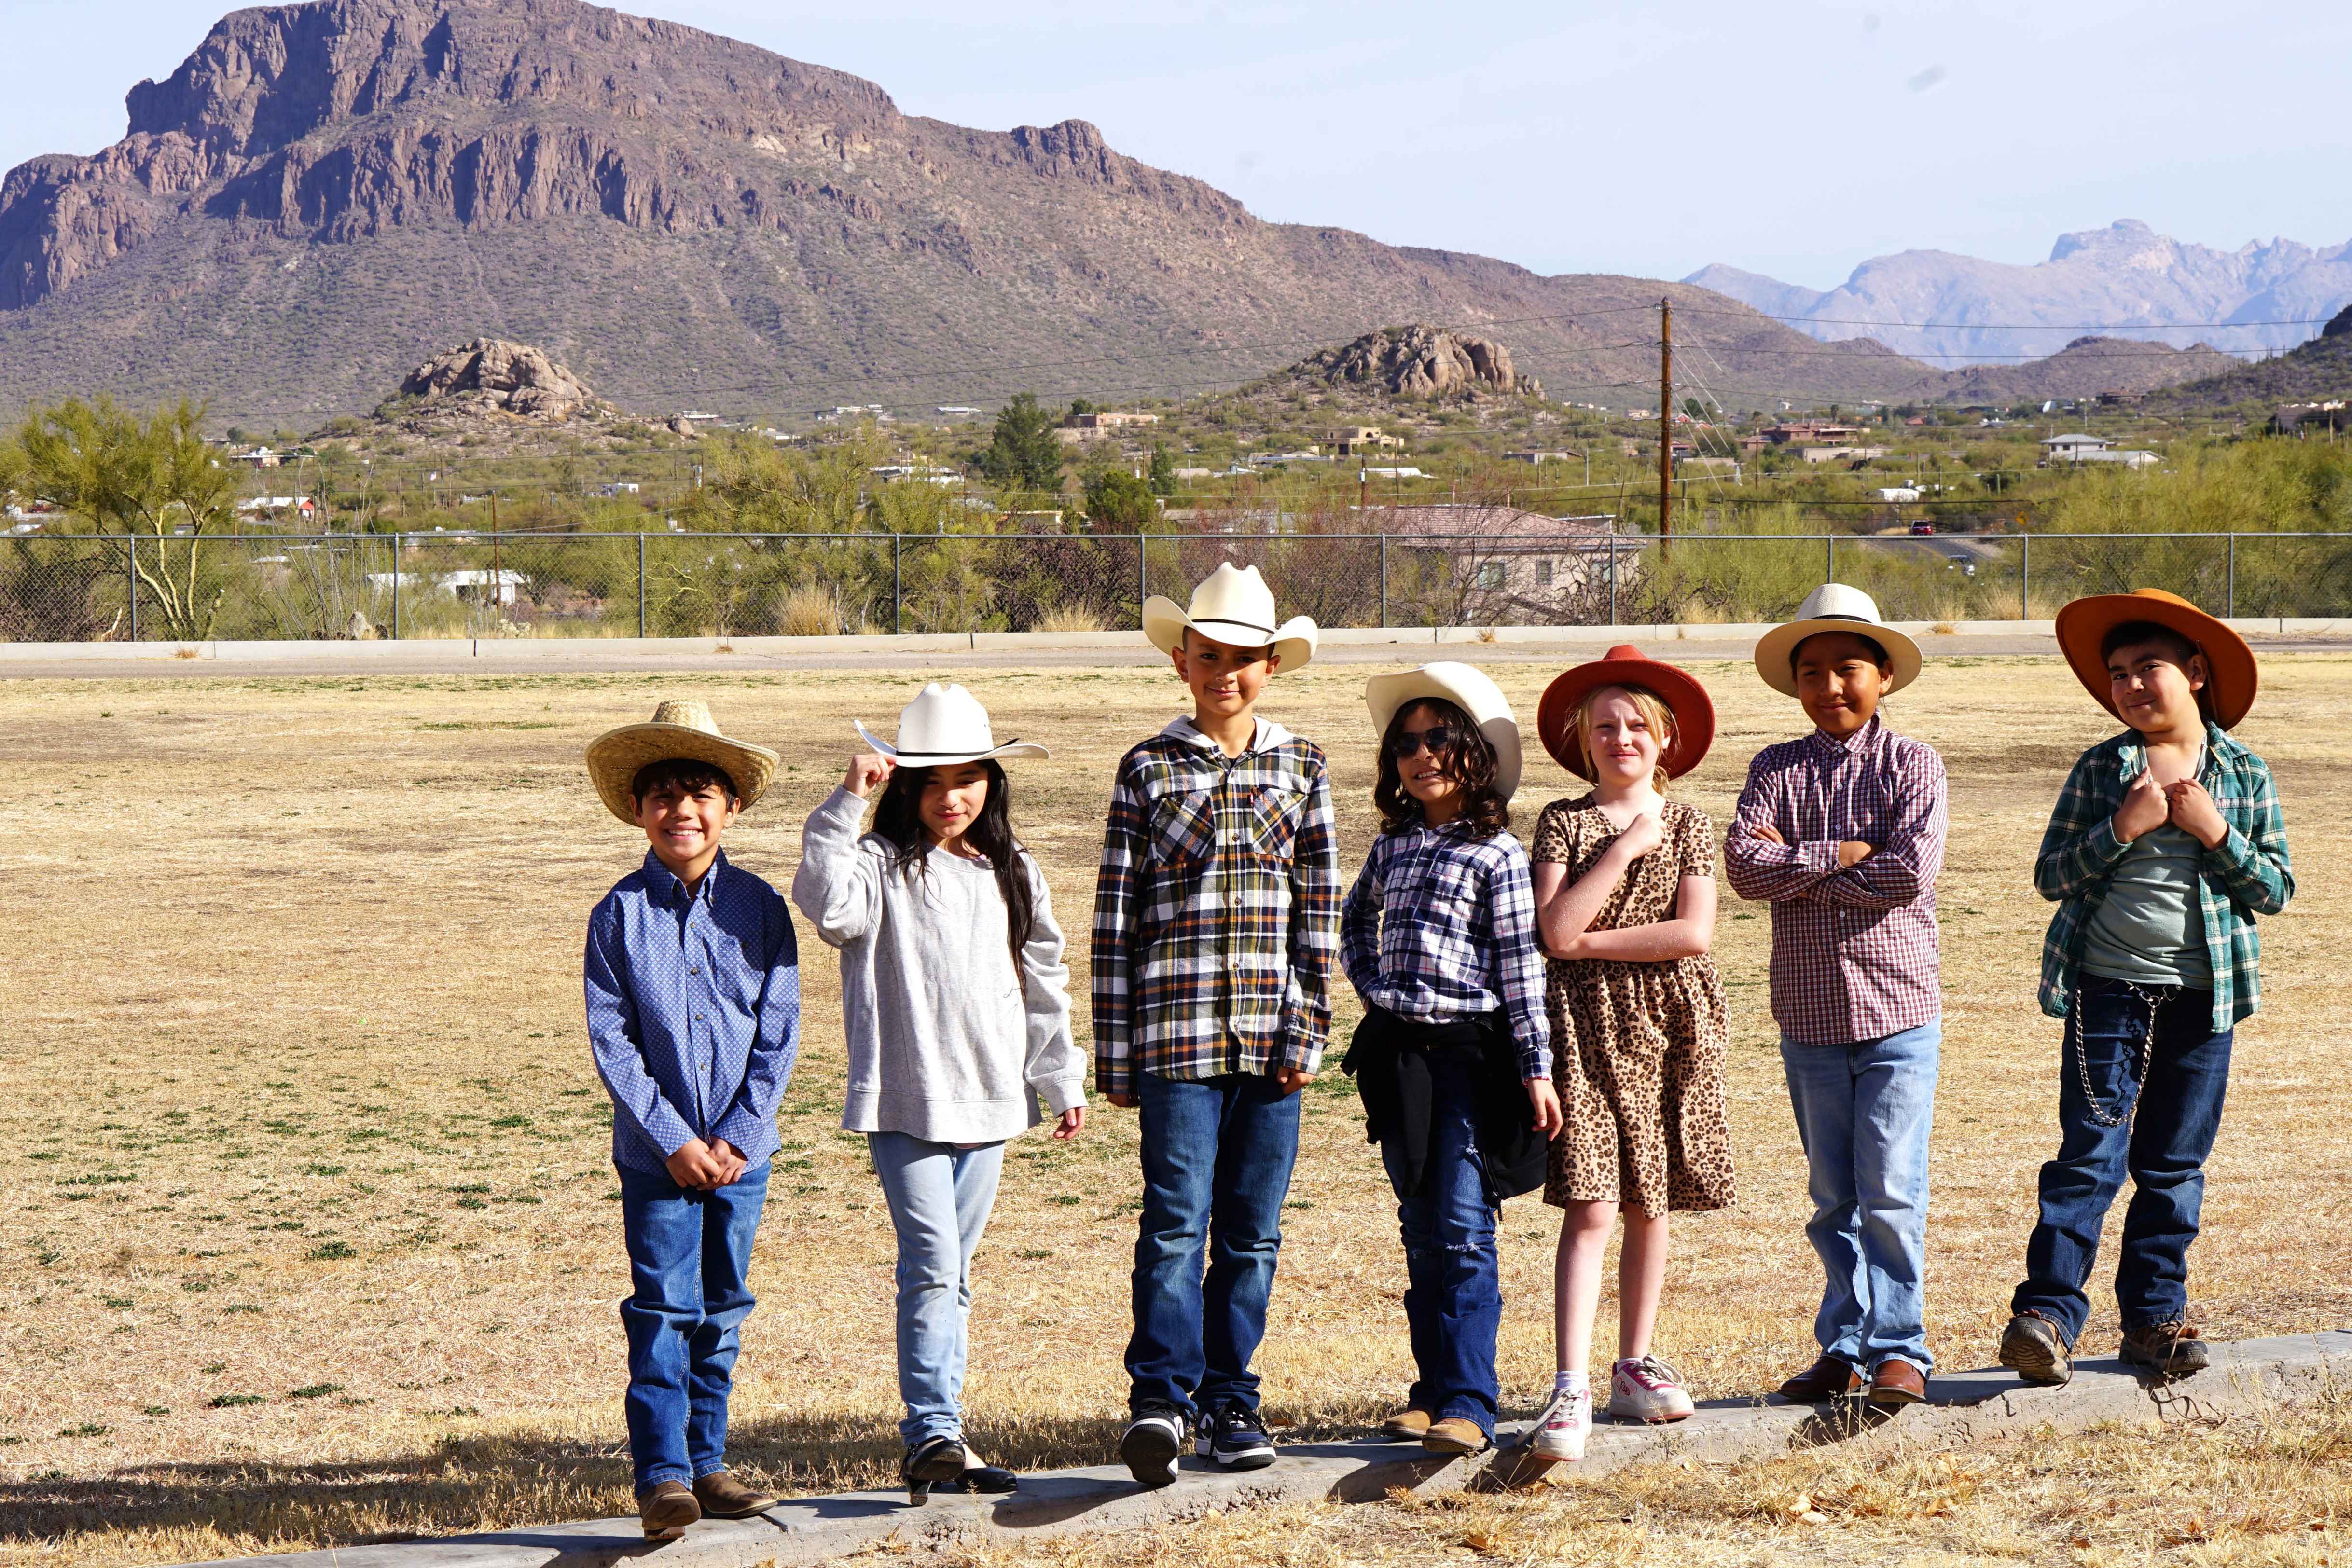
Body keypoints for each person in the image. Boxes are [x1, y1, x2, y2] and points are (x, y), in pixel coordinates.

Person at [791, 683, 1089, 1502]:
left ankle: (943, 1432)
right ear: (904, 787)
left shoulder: (1012, 870)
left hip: (992, 1096)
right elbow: (824, 905)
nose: (951, 797)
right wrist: (845, 802)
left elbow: (1043, 977)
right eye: (930, 781)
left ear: (993, 779)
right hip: (906, 1095)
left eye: (968, 778)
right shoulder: (879, 865)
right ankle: (929, 1430)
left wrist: (1059, 1072)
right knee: (931, 1263)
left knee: (954, 1272)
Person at [1998, 591, 2292, 1385]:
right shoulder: (2103, 769)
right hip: (2107, 991)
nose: (2129, 686)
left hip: (2204, 1001)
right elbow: (2050, 874)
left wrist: (2215, 832)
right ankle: (2046, 1317)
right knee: (2089, 1155)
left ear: (2194, 673)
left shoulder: (2242, 773)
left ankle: (2154, 1320)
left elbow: (2274, 889)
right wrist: (2119, 829)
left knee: (2171, 1164)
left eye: (2147, 668)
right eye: (2117, 675)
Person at [1093, 563, 1341, 1485]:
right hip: (1174, 1038)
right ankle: (1159, 1396)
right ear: (1180, 660)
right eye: (1208, 657)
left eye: (1242, 659)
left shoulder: (1302, 763)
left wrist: (1306, 1028)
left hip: (1272, 1042)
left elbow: (1320, 907)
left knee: (1250, 1231)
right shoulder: (1148, 766)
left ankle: (1232, 1396)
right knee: (1172, 1222)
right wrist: (1114, 1050)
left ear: (1271, 665)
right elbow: (1116, 916)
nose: (1223, 674)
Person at [1723, 584, 1947, 1411]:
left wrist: (1801, 866)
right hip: (1810, 1018)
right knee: (1831, 1199)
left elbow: (1906, 874)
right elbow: (1744, 869)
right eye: (1810, 671)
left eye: (1846, 668)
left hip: (1896, 1013)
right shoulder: (1772, 768)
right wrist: (1842, 850)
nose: (1829, 686)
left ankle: (1900, 1349)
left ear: (1883, 674)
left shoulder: (1914, 763)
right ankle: (1843, 1347)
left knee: (1889, 1189)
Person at [582, 700, 800, 1541]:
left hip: (743, 1155)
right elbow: (613, 1038)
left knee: (723, 1305)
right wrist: (672, 1138)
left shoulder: (760, 907)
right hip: (657, 1159)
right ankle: (663, 1476)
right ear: (638, 810)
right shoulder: (618, 916)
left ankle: (708, 1460)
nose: (683, 809)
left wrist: (739, 1134)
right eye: (663, 794)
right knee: (664, 1307)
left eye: (701, 791)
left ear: (732, 807)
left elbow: (778, 1033)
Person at [1339, 663, 1561, 1458]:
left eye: (1437, 738)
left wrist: (1536, 1068)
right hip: (1400, 1062)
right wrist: (1375, 987)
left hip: (1468, 1060)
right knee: (1420, 1227)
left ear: (1473, 753)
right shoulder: (1391, 844)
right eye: (1405, 743)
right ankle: (1428, 1391)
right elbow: (1353, 924)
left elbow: (1519, 968)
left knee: (1464, 1228)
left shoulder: (1497, 854)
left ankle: (1469, 1399)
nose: (1419, 754)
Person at [1520, 646, 1730, 1462]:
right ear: (1582, 739)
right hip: (1586, 1029)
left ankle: (1633, 1363)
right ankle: (1569, 1382)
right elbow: (1552, 929)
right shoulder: (1563, 823)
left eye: (1636, 724)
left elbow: (1693, 933)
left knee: (1653, 1200)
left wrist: (1589, 941)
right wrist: (1620, 850)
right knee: (1593, 1202)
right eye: (1604, 726)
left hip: (1671, 1025)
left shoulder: (1688, 823)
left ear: (1665, 738)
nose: (1621, 738)